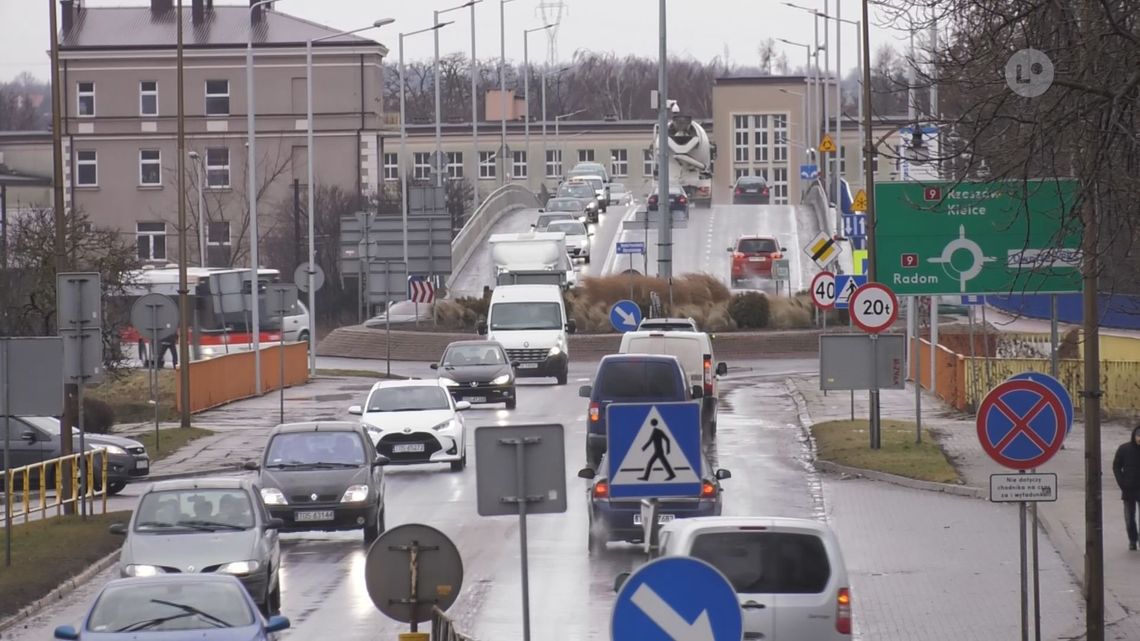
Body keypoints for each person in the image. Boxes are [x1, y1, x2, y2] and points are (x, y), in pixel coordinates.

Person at [1112, 425, 1140, 550]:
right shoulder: (1124, 449)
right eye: (1138, 436)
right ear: (1134, 436)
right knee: (1129, 518)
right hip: (1128, 489)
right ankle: (1133, 540)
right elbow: (1116, 466)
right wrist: (1121, 482)